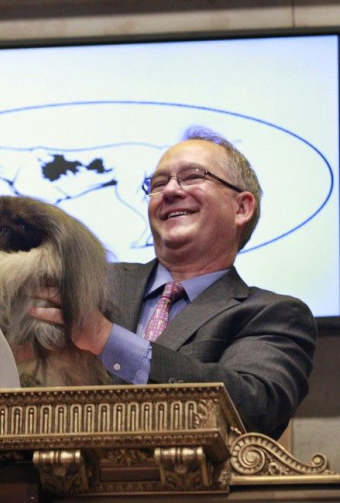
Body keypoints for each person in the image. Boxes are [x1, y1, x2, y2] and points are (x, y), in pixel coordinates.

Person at [29, 126, 317, 439]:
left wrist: (104, 337)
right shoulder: (92, 282)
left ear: (241, 207)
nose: (169, 191)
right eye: (158, 183)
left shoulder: (274, 315)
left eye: (192, 176)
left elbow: (255, 405)